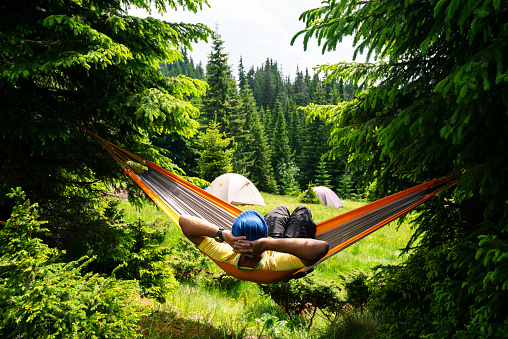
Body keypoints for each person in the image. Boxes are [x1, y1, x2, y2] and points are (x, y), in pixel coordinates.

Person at [178, 206, 329, 283]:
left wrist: (223, 235)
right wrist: (267, 244)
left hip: (268, 243)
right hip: (287, 248)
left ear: (234, 237)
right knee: (302, 211)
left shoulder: (224, 253)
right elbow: (321, 248)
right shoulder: (275, 263)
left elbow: (184, 221)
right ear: (264, 236)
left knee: (280, 210)